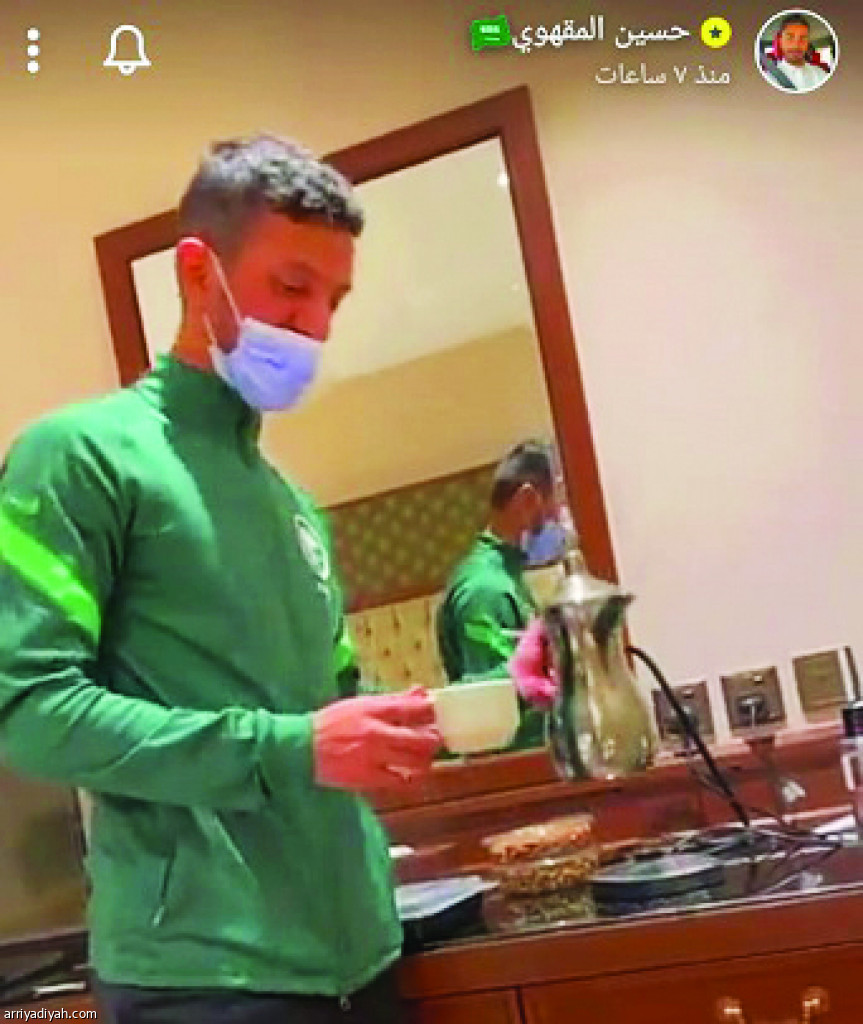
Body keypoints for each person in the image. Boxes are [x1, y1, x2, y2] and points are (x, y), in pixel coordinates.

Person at [0, 135, 443, 1024]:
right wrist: (291, 748)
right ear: (198, 273)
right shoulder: (77, 457)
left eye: (333, 299)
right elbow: (26, 711)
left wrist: (465, 706)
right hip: (202, 977)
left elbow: (327, 710)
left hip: (362, 955)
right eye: (291, 286)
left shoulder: (291, 505)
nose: (316, 326)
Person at [435, 440, 567, 751]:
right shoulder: (486, 589)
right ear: (528, 499)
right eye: (556, 503)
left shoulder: (509, 577)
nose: (559, 519)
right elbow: (489, 707)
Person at [762, 13, 832, 92]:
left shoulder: (821, 73)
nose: (796, 44)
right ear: (780, 42)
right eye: (789, 37)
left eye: (803, 38)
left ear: (807, 43)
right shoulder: (769, 77)